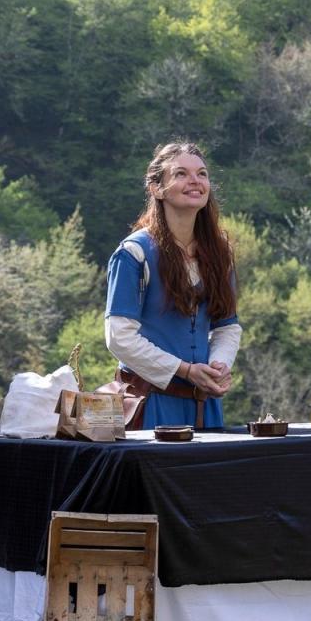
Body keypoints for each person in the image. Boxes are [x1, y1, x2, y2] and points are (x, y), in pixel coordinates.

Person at [105, 141, 242, 429]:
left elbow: (226, 326)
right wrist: (185, 371)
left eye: (202, 174)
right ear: (156, 188)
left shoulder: (219, 254)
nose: (195, 180)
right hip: (149, 404)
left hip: (205, 405)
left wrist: (217, 367)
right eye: (180, 174)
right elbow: (119, 337)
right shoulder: (133, 254)